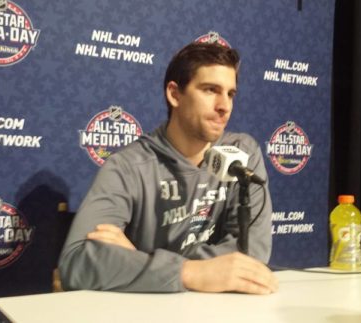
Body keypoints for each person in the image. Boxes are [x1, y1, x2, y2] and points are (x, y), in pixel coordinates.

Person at [58, 42, 278, 295]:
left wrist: (140, 259)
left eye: (230, 94)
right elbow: (76, 262)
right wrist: (190, 272)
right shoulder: (129, 166)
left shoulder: (243, 153)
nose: (224, 106)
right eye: (210, 90)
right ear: (174, 94)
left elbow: (252, 252)